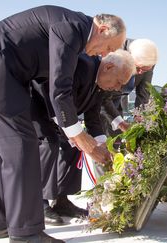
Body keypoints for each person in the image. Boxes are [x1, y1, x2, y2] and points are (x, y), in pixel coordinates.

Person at [0, 5, 126, 242]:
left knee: (0, 150)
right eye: (108, 47)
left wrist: (81, 136)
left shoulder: (75, 32)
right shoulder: (72, 29)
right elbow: (60, 88)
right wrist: (79, 136)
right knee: (21, 146)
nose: (103, 54)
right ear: (102, 28)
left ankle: (3, 223)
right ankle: (26, 233)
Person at [31, 50, 135, 225]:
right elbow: (56, 97)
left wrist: (103, 148)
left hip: (62, 115)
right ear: (108, 67)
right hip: (40, 106)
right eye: (118, 82)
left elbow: (93, 118)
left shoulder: (101, 84)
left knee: (73, 148)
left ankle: (61, 201)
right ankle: (38, 203)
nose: (117, 88)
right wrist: (79, 137)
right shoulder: (81, 66)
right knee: (49, 145)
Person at [101, 39, 158, 136]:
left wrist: (139, 115)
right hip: (100, 101)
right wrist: (121, 124)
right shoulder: (114, 52)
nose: (140, 72)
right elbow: (102, 96)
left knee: (116, 139)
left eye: (144, 70)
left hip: (118, 103)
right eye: (138, 68)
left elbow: (144, 91)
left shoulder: (148, 59)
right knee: (99, 137)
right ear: (130, 57)